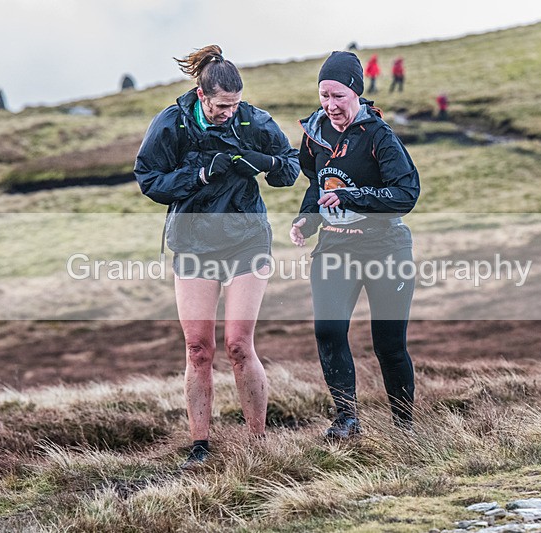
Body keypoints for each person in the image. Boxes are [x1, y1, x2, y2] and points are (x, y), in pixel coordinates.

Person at [134, 45, 299, 467]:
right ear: (202, 95)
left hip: (247, 239)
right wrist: (203, 172)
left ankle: (258, 441)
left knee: (239, 344)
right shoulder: (172, 123)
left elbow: (289, 169)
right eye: (222, 105)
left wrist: (262, 162)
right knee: (198, 348)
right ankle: (200, 446)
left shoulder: (254, 120)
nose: (229, 112)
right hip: (193, 242)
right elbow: (149, 180)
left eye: (235, 104)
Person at [290, 51, 420, 438]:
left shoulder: (379, 135)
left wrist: (352, 196)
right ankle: (346, 419)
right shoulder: (314, 132)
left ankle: (404, 428)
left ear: (357, 95)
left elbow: (406, 194)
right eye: (324, 95)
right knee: (328, 331)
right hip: (335, 247)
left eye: (339, 97)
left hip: (386, 247)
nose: (330, 105)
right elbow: (318, 182)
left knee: (389, 345)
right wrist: (307, 219)